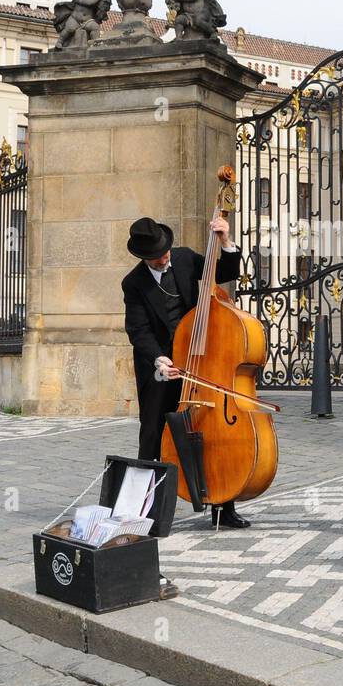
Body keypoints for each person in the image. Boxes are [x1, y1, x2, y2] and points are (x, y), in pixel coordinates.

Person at [122, 214, 250, 528]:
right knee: (152, 433)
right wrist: (158, 360)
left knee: (210, 430)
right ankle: (145, 511)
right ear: (144, 258)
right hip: (163, 366)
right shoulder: (133, 283)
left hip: (199, 358)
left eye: (165, 252)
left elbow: (223, 272)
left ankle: (223, 506)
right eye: (156, 258)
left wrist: (226, 242)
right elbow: (138, 330)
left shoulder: (183, 258)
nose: (164, 259)